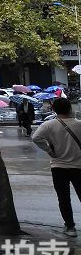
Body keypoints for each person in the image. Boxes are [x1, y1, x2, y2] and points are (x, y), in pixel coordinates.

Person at [32, 97, 81, 237]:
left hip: (58, 166)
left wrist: (49, 150)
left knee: (63, 198)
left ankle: (70, 227)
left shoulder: (48, 125)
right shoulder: (79, 124)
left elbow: (36, 138)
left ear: (53, 109)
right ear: (70, 108)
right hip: (78, 166)